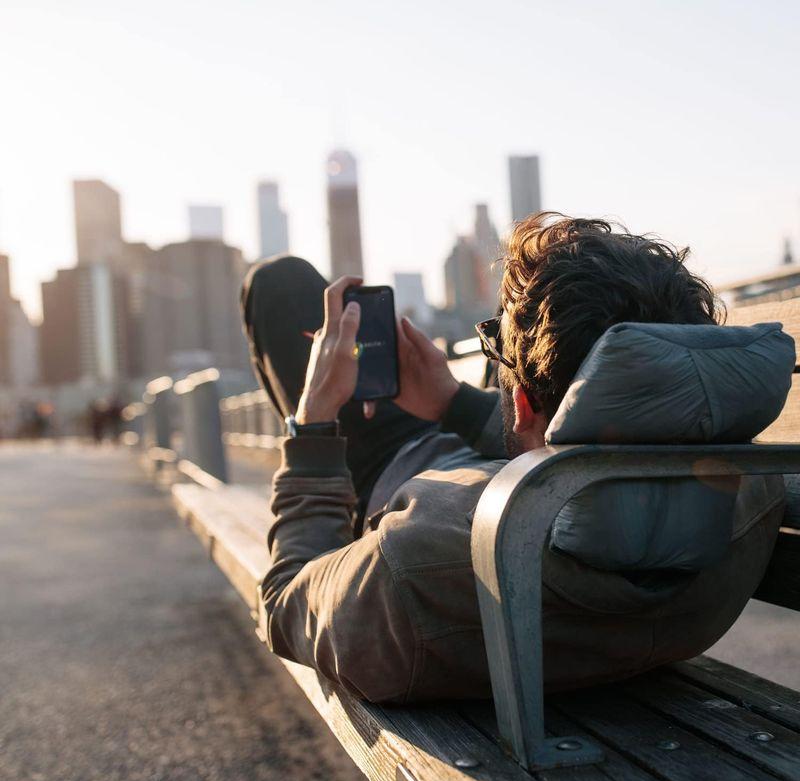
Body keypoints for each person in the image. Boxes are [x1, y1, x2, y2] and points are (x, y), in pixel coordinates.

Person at [240, 213, 791, 704]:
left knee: (278, 283)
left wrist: (313, 424)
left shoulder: (410, 568)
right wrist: (452, 403)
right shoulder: (749, 495)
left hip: (372, 469)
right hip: (485, 467)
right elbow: (604, 438)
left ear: (523, 401)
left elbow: (285, 601)